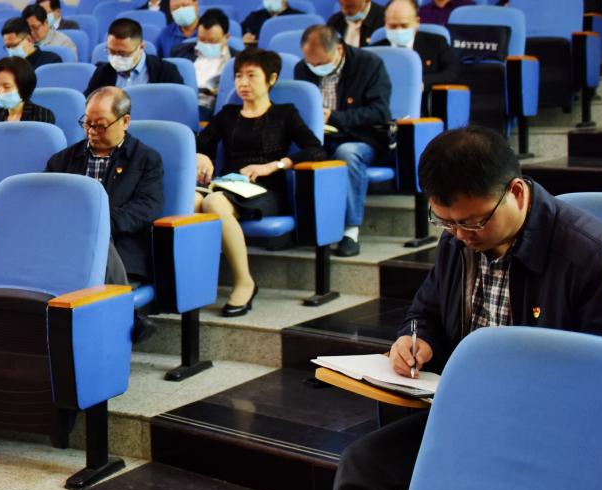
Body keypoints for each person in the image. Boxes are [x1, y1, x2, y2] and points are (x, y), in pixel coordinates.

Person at [326, 126, 602, 490]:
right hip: (469, 409)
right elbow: (424, 311)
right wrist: (415, 339)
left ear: (516, 192)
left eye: (473, 222)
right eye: (445, 221)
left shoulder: (594, 259)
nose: (460, 235)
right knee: (362, 464)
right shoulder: (458, 240)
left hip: (550, 429)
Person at [196, 48, 325, 316]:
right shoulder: (228, 114)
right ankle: (191, 285)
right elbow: (199, 144)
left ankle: (245, 282)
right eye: (238, 76)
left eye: (251, 76)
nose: (243, 83)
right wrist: (201, 156)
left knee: (213, 202)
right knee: (191, 201)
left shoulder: (285, 114)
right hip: (226, 185)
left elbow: (315, 149)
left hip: (265, 191)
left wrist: (274, 165)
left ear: (271, 79)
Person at [45, 86, 164, 342]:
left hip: (123, 253)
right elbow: (48, 204)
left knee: (96, 231)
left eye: (100, 126)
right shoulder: (62, 161)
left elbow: (147, 207)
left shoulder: (146, 160)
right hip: (68, 251)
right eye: (87, 123)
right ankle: (130, 316)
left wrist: (99, 224)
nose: (91, 131)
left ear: (125, 121)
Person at [295, 25, 391, 257]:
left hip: (361, 137)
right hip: (320, 136)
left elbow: (379, 112)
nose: (315, 67)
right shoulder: (302, 68)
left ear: (339, 49)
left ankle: (350, 231)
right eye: (310, 63)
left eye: (320, 63)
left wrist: (334, 117)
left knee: (347, 153)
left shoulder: (369, 64)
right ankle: (300, 226)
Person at [373, 0, 458, 113]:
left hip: (425, 108)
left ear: (417, 23)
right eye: (392, 26)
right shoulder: (376, 50)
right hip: (383, 109)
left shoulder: (436, 43)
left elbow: (452, 73)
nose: (398, 30)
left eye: (404, 25)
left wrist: (418, 82)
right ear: (385, 23)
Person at [85, 19, 184, 96]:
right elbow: (88, 106)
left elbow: (178, 107)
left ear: (141, 47)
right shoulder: (102, 73)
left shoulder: (167, 71)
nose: (116, 57)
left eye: (123, 53)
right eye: (111, 51)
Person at [172, 9, 239, 119]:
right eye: (202, 40)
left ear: (226, 37)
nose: (207, 44)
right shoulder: (179, 53)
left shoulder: (236, 60)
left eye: (213, 41)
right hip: (184, 104)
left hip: (216, 108)